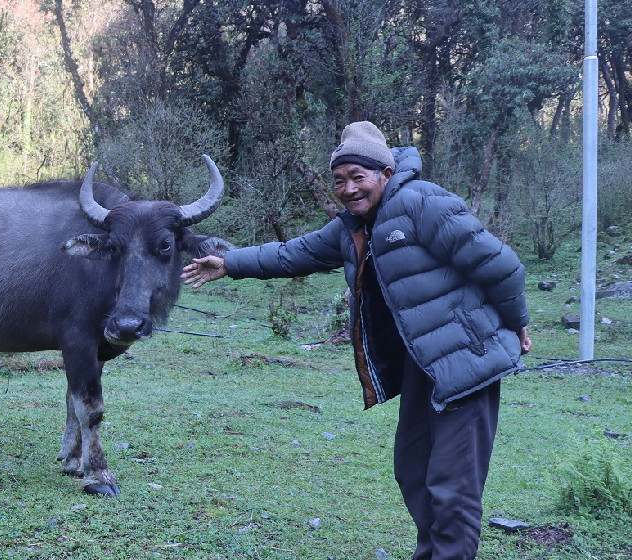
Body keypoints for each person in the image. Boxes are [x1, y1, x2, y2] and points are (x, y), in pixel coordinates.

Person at [182, 121, 533, 560]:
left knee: (452, 483)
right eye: (339, 180)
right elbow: (296, 252)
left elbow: (502, 266)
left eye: (357, 177)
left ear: (385, 172)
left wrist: (518, 322)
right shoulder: (353, 227)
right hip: (424, 366)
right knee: (413, 470)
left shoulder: (423, 203)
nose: (347, 189)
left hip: (468, 361)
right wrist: (229, 263)